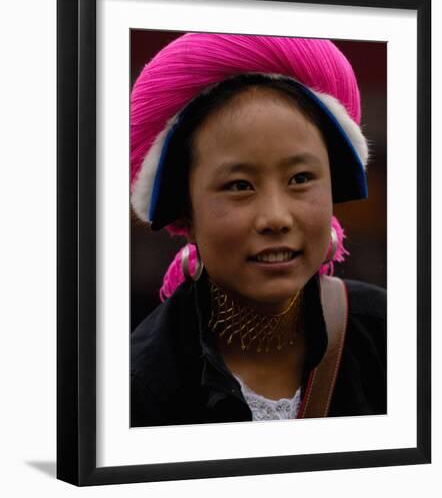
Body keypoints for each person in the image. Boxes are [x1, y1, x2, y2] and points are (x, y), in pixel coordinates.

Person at [130, 33, 386, 427]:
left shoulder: (395, 338)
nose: (276, 218)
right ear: (186, 212)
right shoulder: (137, 388)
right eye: (239, 186)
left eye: (301, 178)